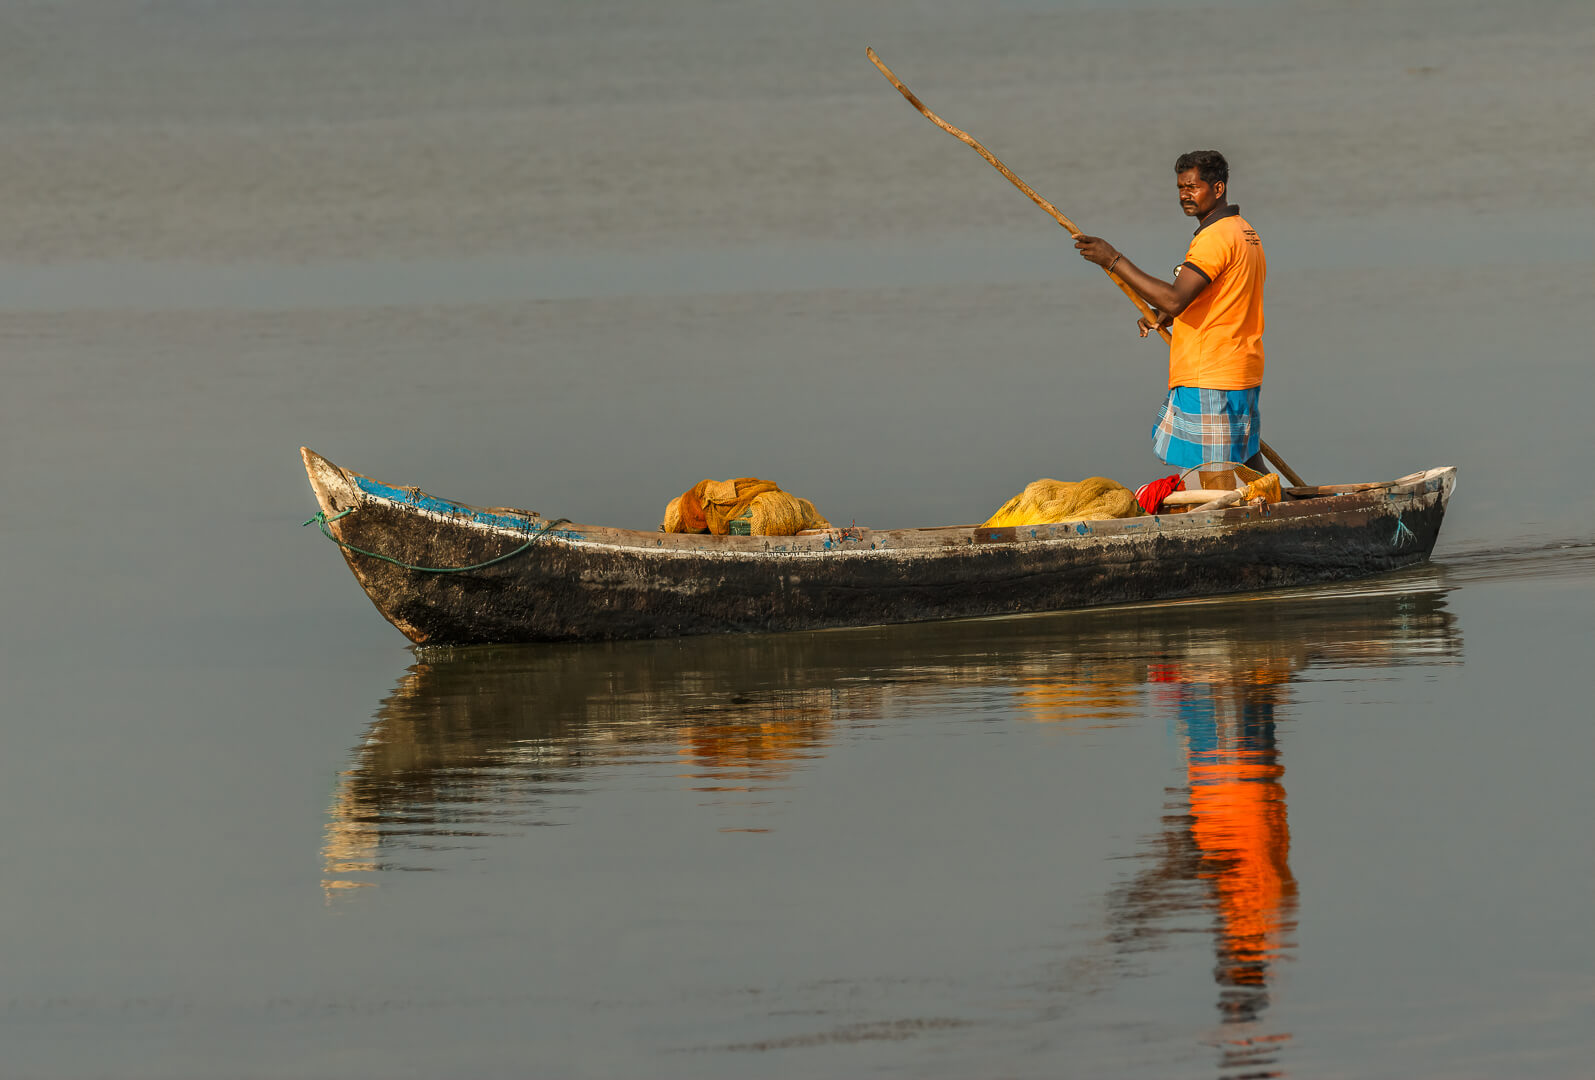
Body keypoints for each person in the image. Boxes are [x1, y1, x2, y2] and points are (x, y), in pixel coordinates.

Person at [1074, 151, 1269, 474]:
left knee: (1214, 474)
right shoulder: (1244, 231)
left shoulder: (1215, 238)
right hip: (1240, 369)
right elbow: (1221, 296)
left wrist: (1113, 260)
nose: (1185, 195)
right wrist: (1165, 312)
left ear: (1218, 188)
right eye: (1181, 187)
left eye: (1193, 187)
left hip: (1210, 374)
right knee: (1249, 466)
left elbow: (1176, 299)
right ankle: (1282, 506)